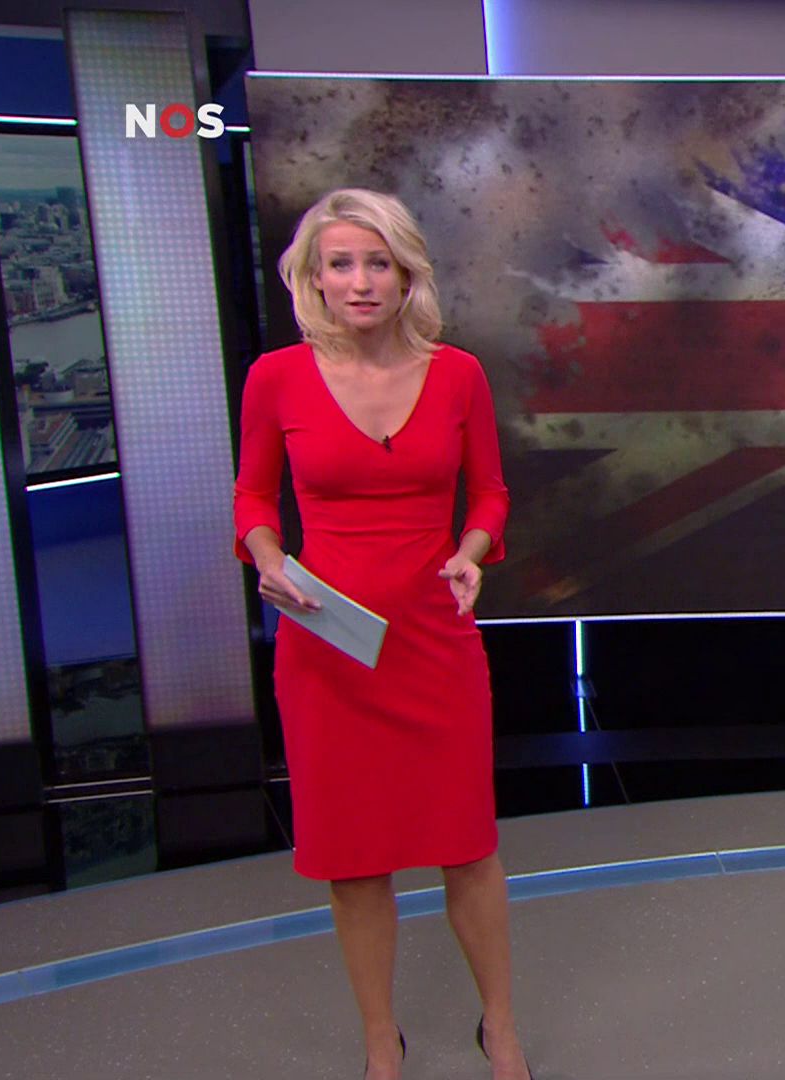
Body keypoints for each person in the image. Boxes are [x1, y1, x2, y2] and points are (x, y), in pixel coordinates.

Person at [232, 188, 533, 1080]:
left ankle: (501, 1029)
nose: (360, 281)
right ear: (314, 278)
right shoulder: (275, 377)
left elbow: (490, 493)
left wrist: (471, 551)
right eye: (342, 264)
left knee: (467, 848)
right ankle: (380, 1044)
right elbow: (253, 496)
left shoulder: (459, 374)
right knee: (355, 861)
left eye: (379, 263)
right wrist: (267, 554)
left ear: (407, 277)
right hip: (328, 648)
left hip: (434, 640)